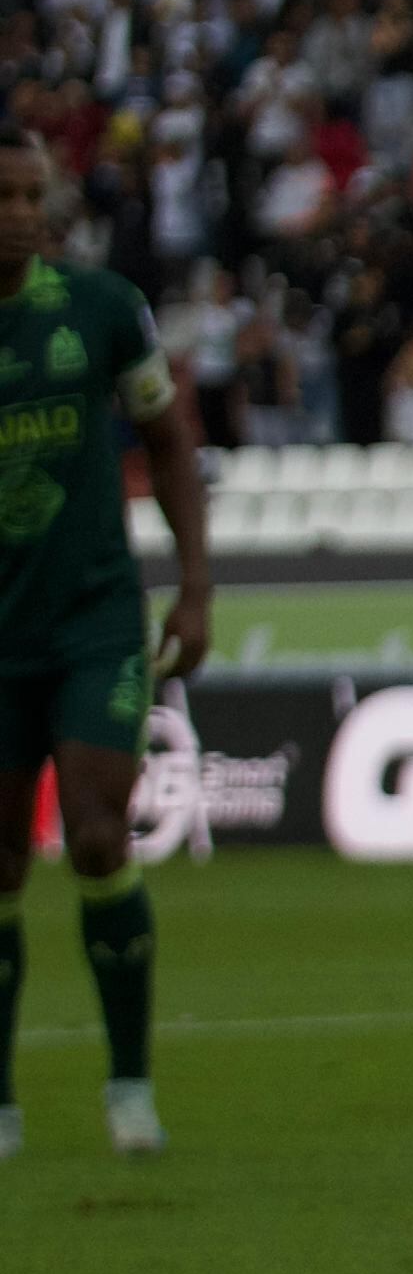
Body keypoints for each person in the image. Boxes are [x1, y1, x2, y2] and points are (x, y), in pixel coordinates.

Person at [0, 126, 210, 1163]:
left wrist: (196, 588)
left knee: (94, 833)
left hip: (94, 621)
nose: (26, 214)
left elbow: (169, 442)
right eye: (7, 196)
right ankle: (0, 1103)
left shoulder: (99, 308)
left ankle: (129, 1085)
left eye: (34, 194)